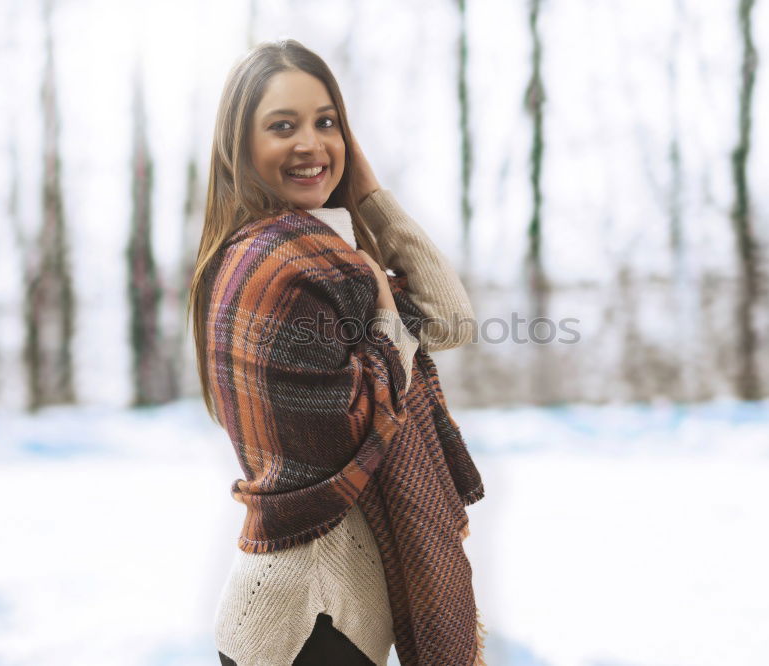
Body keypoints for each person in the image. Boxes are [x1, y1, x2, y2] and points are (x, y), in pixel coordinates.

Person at [188, 39, 487, 665]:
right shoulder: (273, 264)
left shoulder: (325, 254)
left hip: (329, 611)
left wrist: (370, 192)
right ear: (240, 148)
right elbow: (354, 422)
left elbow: (451, 319)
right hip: (306, 618)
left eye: (327, 123)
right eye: (282, 126)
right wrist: (382, 306)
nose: (310, 144)